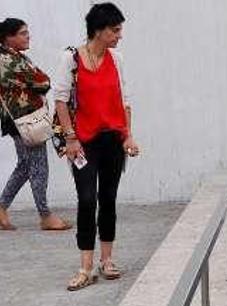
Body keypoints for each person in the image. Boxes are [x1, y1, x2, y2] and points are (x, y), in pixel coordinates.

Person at [54, 3, 139, 291]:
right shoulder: (71, 59)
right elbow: (61, 101)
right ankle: (85, 267)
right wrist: (70, 138)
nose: (120, 35)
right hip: (83, 142)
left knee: (109, 198)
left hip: (113, 140)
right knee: (87, 199)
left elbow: (124, 99)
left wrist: (128, 135)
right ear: (99, 30)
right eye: (115, 30)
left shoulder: (118, 59)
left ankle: (107, 260)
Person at [0, 18, 71, 231]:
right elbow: (42, 81)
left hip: (24, 120)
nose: (27, 36)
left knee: (25, 166)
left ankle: (1, 207)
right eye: (22, 33)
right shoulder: (7, 61)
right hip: (24, 120)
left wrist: (39, 81)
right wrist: (39, 81)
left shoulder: (16, 57)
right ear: (8, 38)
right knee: (39, 166)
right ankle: (45, 215)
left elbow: (40, 80)